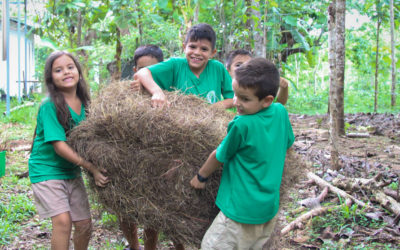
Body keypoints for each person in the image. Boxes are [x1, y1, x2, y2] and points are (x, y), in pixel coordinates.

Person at [190, 58, 295, 249]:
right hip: (267, 210)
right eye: (236, 95)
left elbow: (218, 155)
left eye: (245, 99)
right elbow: (287, 140)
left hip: (239, 211)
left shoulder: (242, 124)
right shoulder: (280, 112)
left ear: (267, 100)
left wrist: (200, 177)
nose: (236, 102)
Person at [28, 51, 109, 250]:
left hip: (70, 171)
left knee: (83, 225)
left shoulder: (86, 103)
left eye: (70, 67)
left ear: (79, 73)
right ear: (51, 78)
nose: (66, 72)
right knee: (63, 222)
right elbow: (59, 146)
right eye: (58, 70)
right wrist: (90, 167)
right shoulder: (49, 106)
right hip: (46, 169)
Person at [120, 45, 164, 250]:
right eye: (139, 69)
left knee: (152, 209)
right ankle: (133, 246)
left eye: (151, 69)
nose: (142, 74)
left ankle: (150, 247)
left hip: (155, 160)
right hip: (127, 159)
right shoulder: (124, 93)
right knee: (124, 206)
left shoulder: (165, 92)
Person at [131, 23, 234, 109]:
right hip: (181, 126)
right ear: (184, 47)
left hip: (210, 125)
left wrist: (212, 109)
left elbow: (233, 98)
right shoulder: (175, 65)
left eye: (204, 49)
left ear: (212, 53)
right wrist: (157, 92)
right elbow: (142, 72)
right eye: (192, 47)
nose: (197, 52)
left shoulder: (217, 68)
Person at [225, 49, 290, 105]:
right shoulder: (226, 90)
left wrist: (284, 88)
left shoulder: (258, 86)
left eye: (248, 64)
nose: (244, 68)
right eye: (238, 65)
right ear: (228, 71)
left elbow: (278, 104)